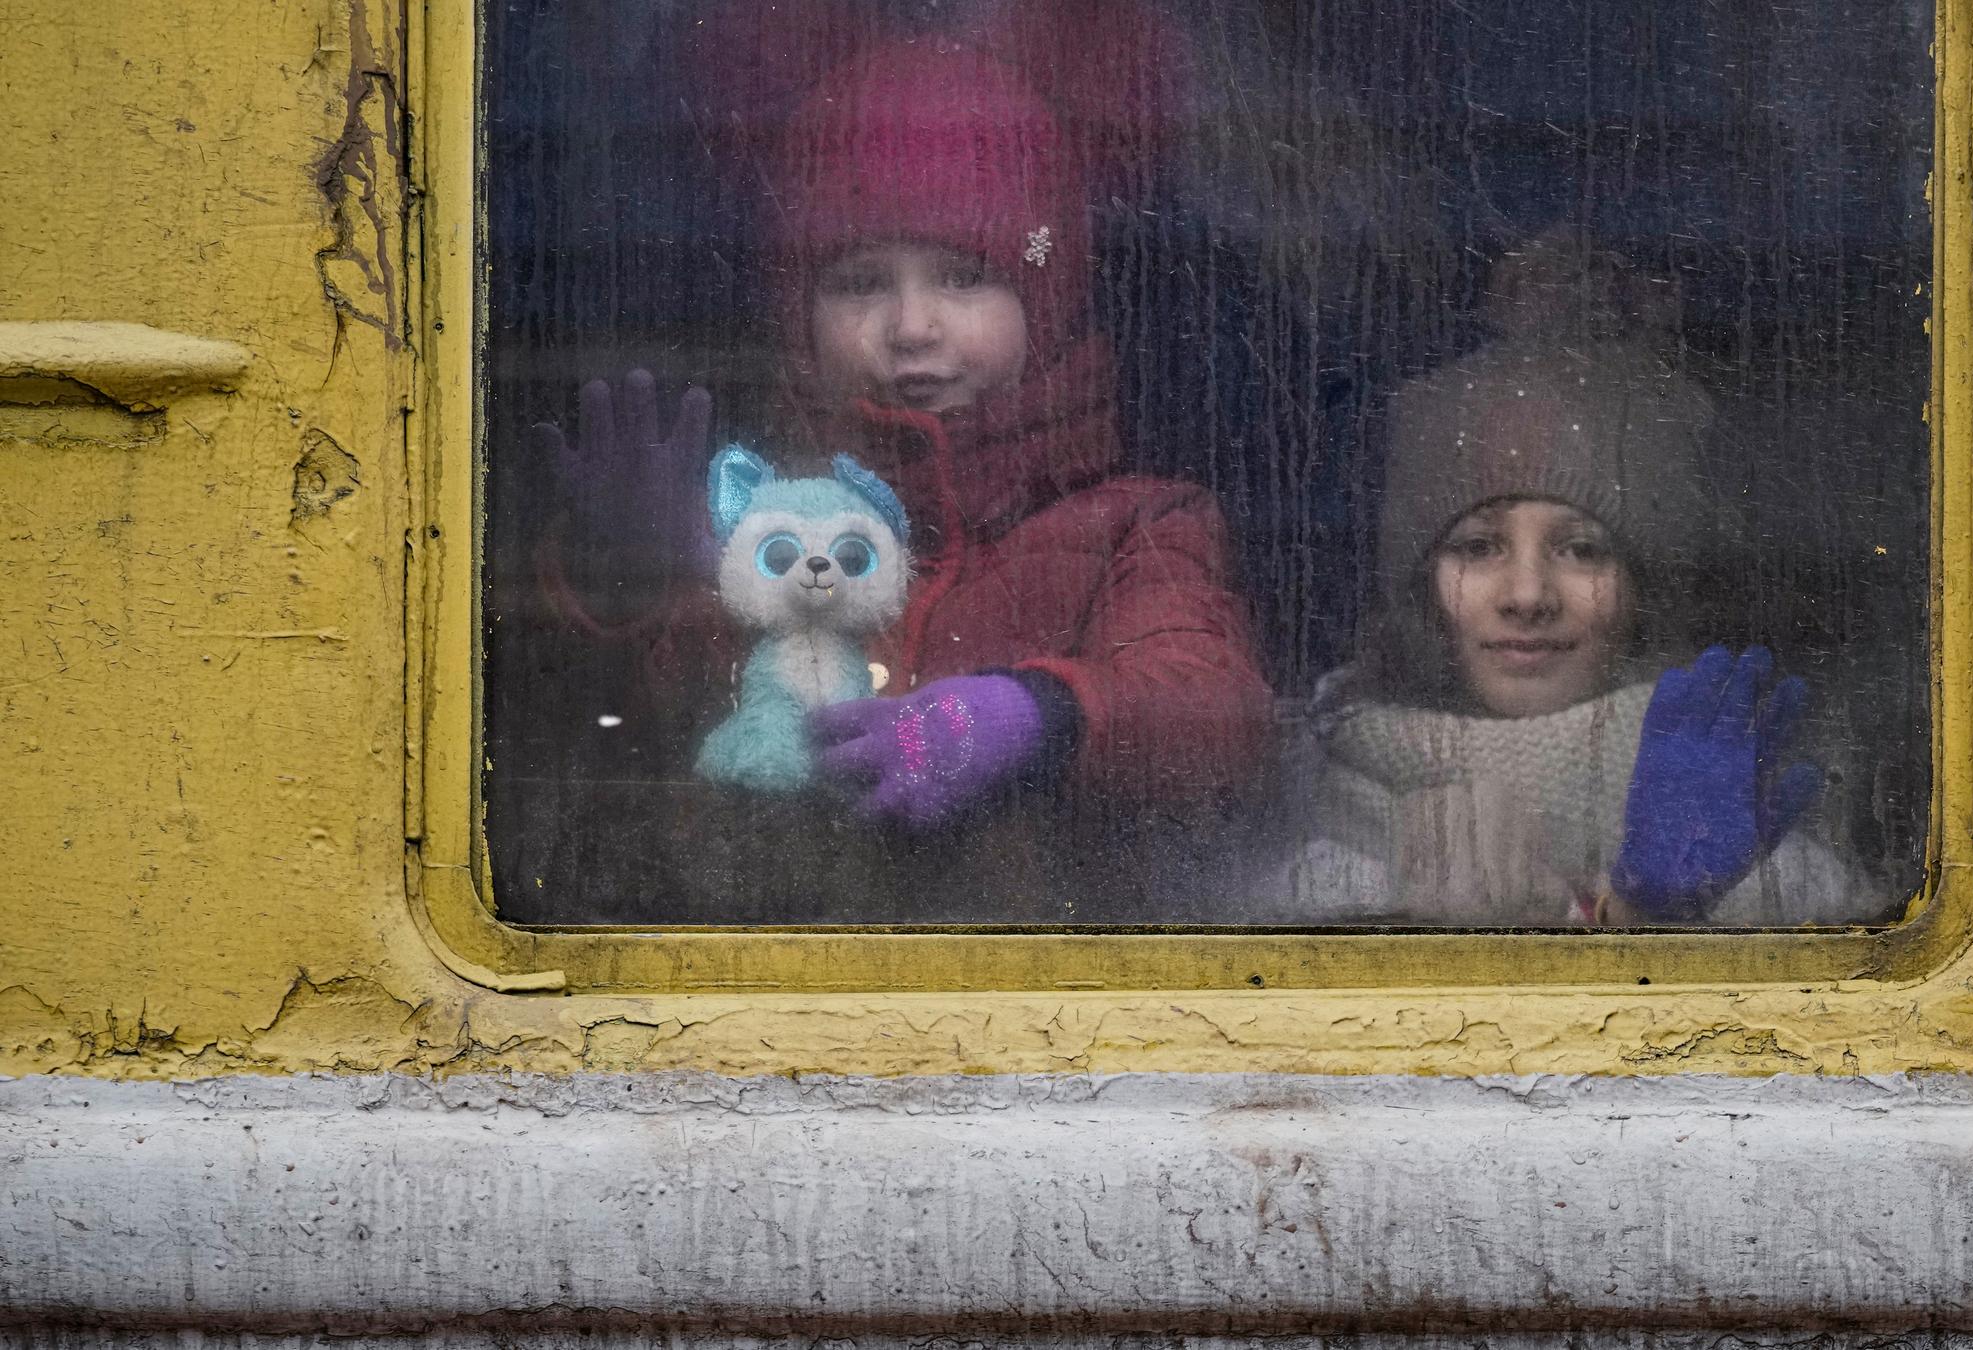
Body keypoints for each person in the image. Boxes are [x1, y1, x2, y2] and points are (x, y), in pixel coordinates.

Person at [529, 35, 1270, 919]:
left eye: (965, 277)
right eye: (859, 283)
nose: (912, 325)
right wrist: (632, 582)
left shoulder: (1138, 525)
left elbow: (1213, 704)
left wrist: (1035, 714)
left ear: (1052, 291)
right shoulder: (750, 528)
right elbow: (608, 751)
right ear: (797, 311)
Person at [1275, 242, 1869, 927]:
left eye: (1583, 550)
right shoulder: (1314, 879)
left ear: (1646, 590)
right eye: (1477, 546)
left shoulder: (1764, 873)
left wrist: (1652, 917)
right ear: (1421, 591)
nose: (1528, 596)